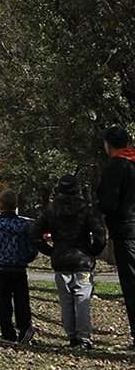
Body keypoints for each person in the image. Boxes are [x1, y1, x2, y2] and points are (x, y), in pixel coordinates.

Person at [35, 173, 108, 349]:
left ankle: (72, 336)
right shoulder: (86, 208)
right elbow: (100, 234)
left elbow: (35, 234)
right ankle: (84, 337)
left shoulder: (51, 210)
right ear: (77, 188)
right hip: (82, 259)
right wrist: (92, 251)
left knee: (66, 301)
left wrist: (51, 251)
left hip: (60, 259)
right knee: (82, 300)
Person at [0, 187, 37, 344]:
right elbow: (32, 246)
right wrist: (27, 258)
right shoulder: (25, 226)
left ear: (0, 206)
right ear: (16, 205)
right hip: (19, 267)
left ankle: (7, 333)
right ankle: (24, 329)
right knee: (22, 301)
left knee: (4, 302)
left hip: (1, 268)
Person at [95, 127, 135, 347]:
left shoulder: (116, 167)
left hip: (126, 230)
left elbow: (108, 202)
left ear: (108, 144)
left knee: (131, 283)